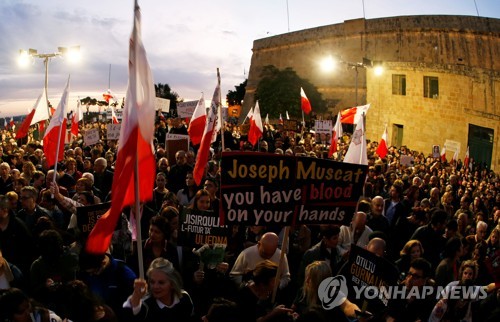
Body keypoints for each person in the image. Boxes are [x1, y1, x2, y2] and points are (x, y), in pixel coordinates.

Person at [124, 257, 194, 321]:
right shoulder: (145, 306)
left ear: (172, 284)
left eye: (161, 282)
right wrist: (136, 295)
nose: (155, 286)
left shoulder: (184, 298)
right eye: (152, 282)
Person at [430, 260, 497, 322]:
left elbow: (488, 288)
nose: (467, 276)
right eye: (465, 273)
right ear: (461, 274)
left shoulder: (473, 289)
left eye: (470, 274)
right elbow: (439, 300)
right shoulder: (452, 286)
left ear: (473, 276)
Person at [293, 261, 361, 321]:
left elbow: (348, 306)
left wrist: (358, 314)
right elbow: (293, 308)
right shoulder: (302, 291)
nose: (307, 281)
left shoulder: (333, 294)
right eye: (307, 276)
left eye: (311, 278)